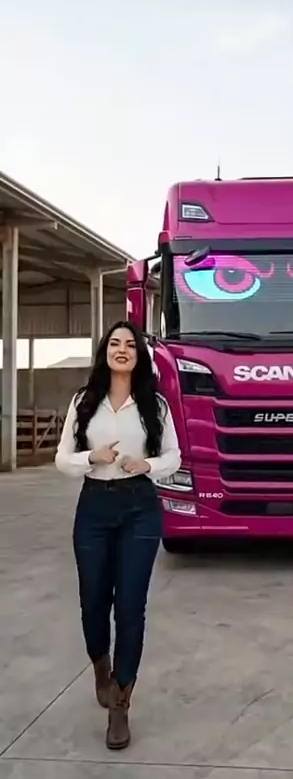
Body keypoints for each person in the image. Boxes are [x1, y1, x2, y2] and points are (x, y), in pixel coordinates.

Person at [55, 320, 181, 750]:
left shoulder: (154, 404)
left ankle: (121, 700)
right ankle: (101, 666)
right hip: (94, 506)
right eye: (115, 343)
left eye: (130, 344)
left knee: (130, 606)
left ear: (139, 355)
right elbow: (62, 459)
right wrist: (92, 456)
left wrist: (148, 465)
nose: (122, 349)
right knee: (93, 600)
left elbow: (174, 456)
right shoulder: (84, 401)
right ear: (105, 352)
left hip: (139, 509)